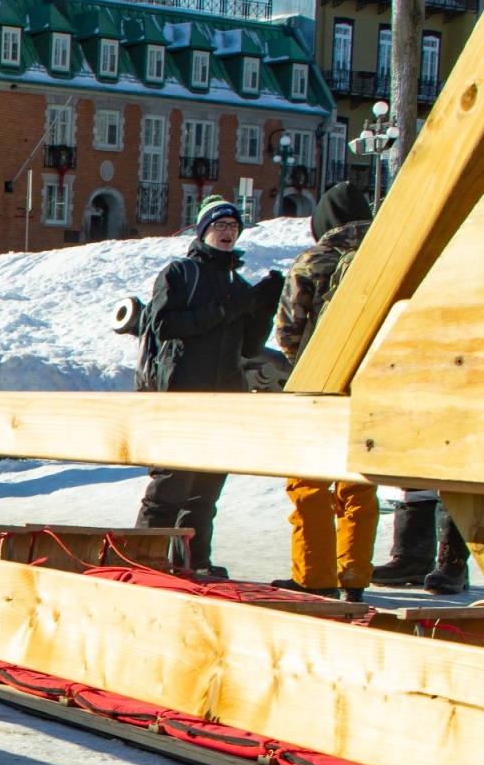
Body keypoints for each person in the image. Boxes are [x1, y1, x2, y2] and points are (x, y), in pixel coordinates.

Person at [132, 197, 283, 580]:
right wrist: (228, 308)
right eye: (219, 225)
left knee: (205, 491)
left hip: (225, 397)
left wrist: (263, 307)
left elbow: (249, 348)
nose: (227, 231)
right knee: (170, 487)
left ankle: (195, 560)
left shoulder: (238, 283)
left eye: (233, 226)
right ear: (203, 231)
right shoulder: (181, 273)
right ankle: (140, 561)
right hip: (182, 395)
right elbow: (165, 325)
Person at [269, 183, 380, 601]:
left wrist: (309, 362)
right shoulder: (386, 253)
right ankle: (354, 576)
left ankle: (315, 576)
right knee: (358, 481)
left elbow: (288, 330)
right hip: (369, 382)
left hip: (320, 381)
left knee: (309, 481)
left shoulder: (315, 259)